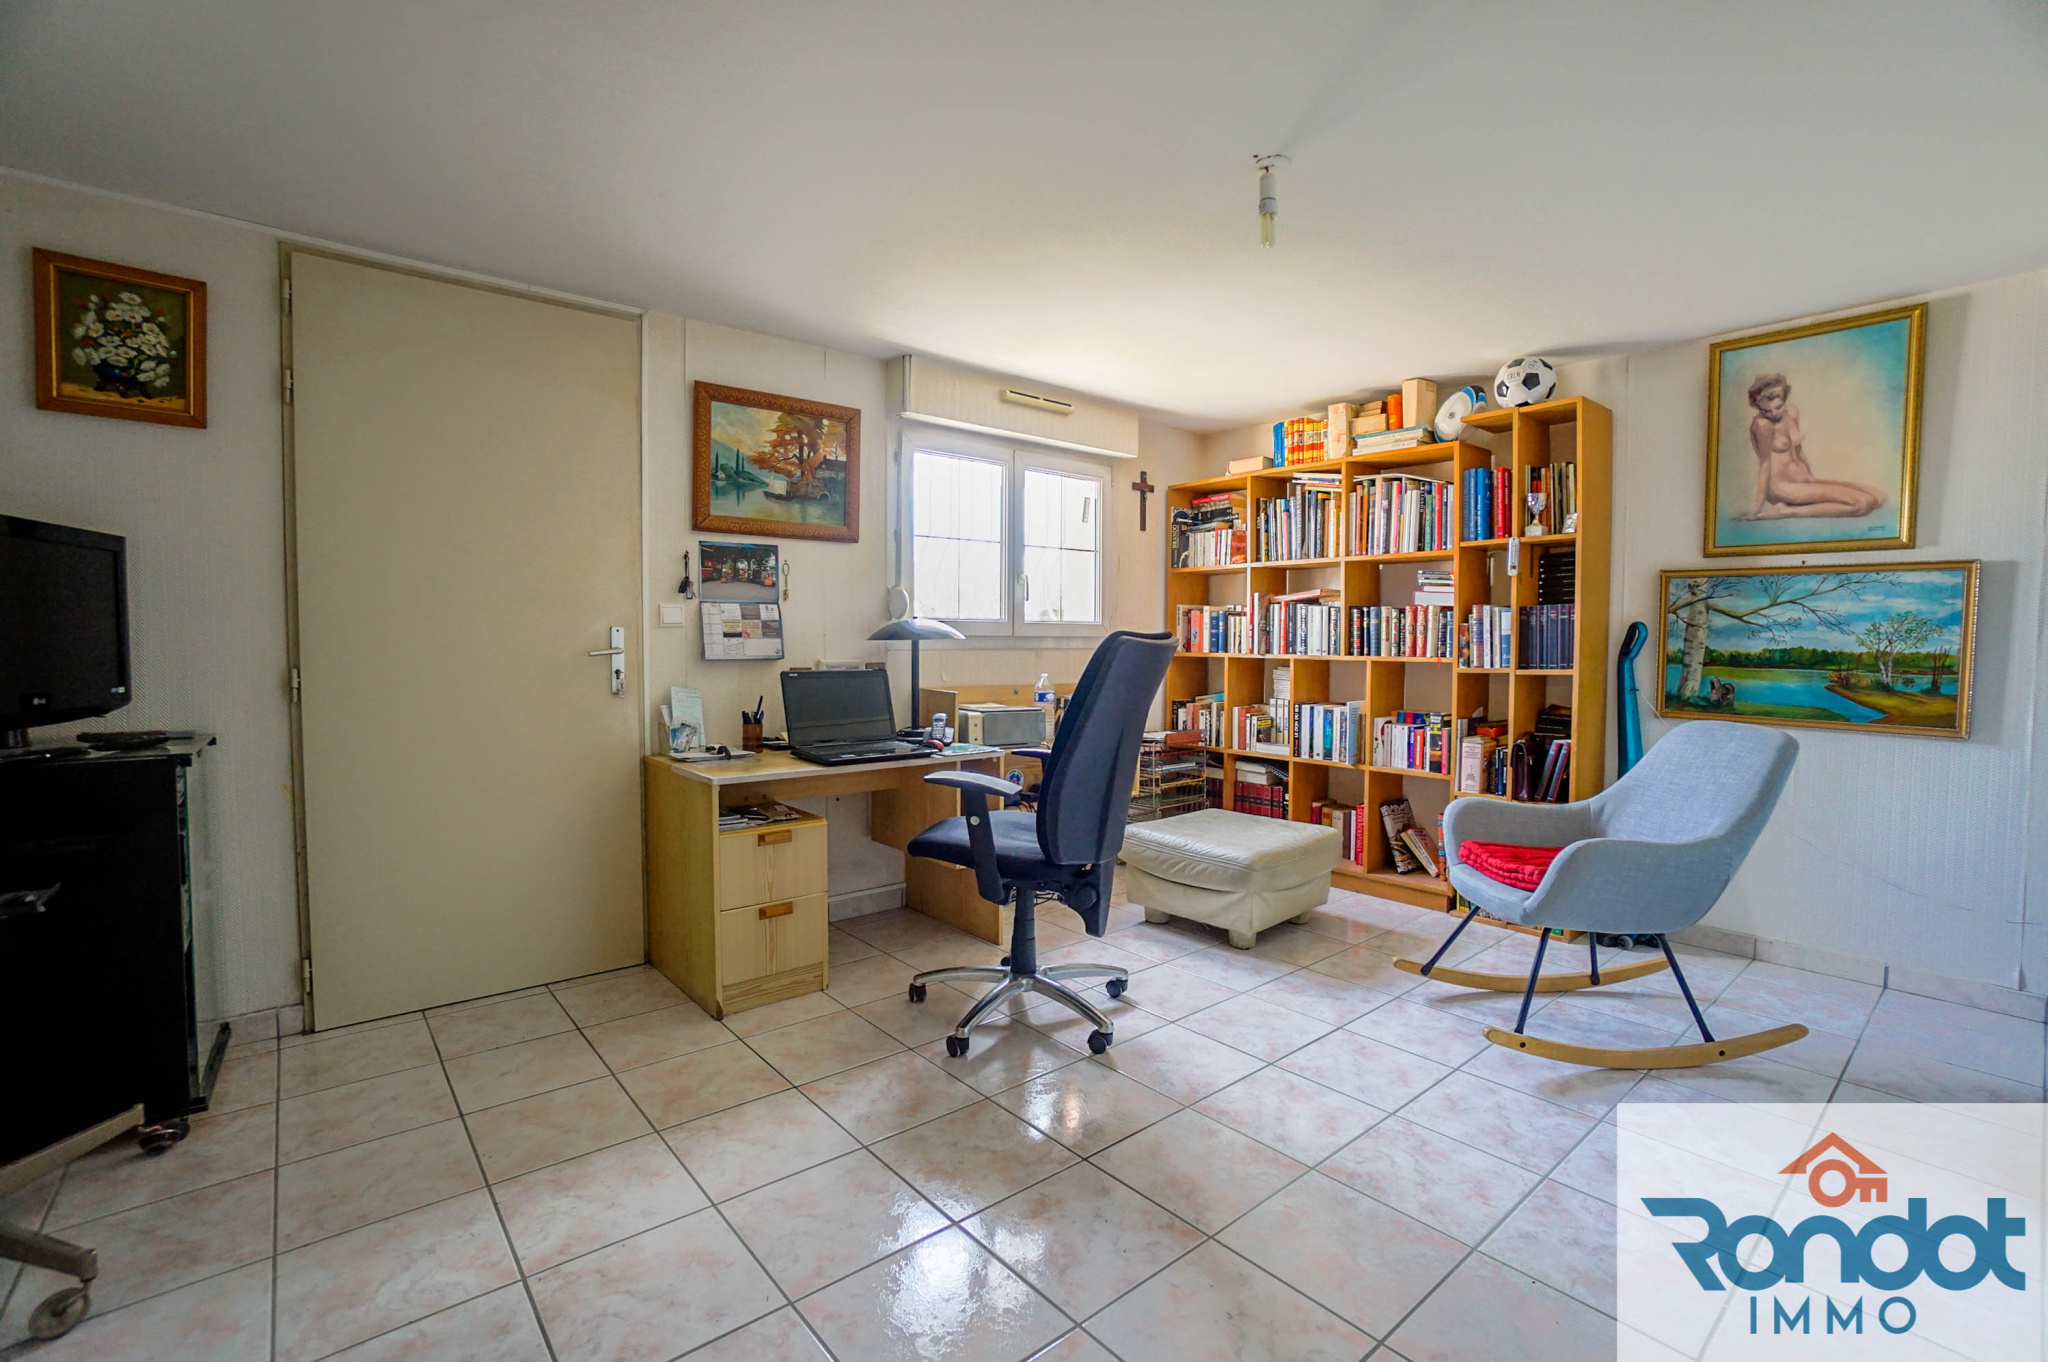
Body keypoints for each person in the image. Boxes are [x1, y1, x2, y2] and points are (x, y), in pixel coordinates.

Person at [1738, 373, 1887, 520]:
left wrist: (1810, 477)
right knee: (1861, 504)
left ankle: (1797, 503)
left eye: (1778, 407)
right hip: (1781, 487)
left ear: (1784, 400)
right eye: (1765, 410)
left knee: (1879, 498)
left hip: (1803, 479)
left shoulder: (1791, 412)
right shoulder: (1762, 425)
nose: (1773, 414)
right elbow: (1765, 465)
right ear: (1758, 406)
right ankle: (1786, 511)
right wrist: (1756, 510)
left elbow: (1798, 450)